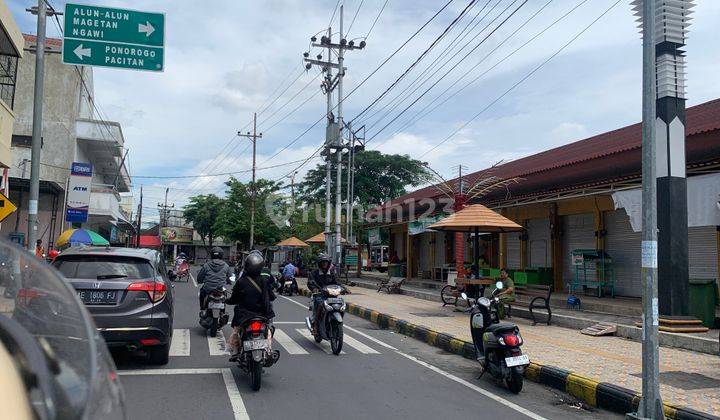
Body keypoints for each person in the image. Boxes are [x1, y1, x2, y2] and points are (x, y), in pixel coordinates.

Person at [225, 251, 278, 364]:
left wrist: (227, 301)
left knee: (236, 331)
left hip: (244, 315)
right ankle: (268, 351)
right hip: (261, 314)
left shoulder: (241, 282)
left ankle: (235, 351)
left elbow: (234, 298)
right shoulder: (263, 281)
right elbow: (271, 296)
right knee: (269, 331)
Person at [307, 253, 338, 333]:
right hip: (319, 295)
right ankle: (315, 325)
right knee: (320, 306)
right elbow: (310, 282)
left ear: (329, 263)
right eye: (323, 262)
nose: (324, 263)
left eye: (326, 262)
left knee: (340, 304)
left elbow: (336, 283)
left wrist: (344, 289)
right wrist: (314, 288)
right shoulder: (314, 273)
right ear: (319, 263)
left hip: (331, 295)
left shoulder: (331, 273)